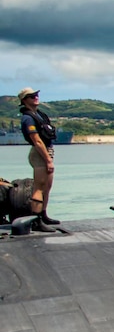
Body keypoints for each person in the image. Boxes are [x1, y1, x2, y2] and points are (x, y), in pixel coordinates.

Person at [16, 87, 58, 230]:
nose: (35, 97)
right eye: (31, 96)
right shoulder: (28, 118)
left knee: (47, 187)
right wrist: (48, 160)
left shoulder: (40, 115)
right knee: (39, 187)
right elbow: (37, 141)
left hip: (47, 151)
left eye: (36, 95)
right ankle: (36, 220)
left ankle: (43, 215)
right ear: (24, 100)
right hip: (40, 153)